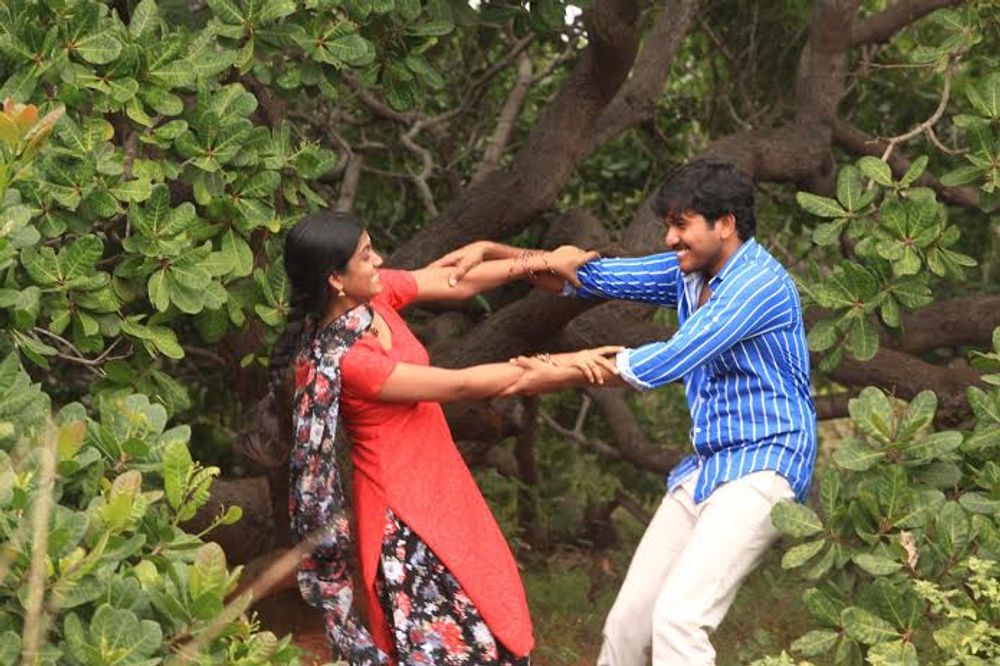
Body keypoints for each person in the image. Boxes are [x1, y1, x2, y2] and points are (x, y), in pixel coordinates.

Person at [437, 157, 818, 665]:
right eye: (668, 225)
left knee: (680, 620)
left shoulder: (758, 285)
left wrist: (560, 368)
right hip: (709, 466)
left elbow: (672, 358)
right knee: (626, 628)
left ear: (725, 224)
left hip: (766, 465)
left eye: (681, 225)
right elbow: (586, 277)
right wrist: (497, 253)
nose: (669, 239)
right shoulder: (689, 271)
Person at [280, 210, 619, 666]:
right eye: (366, 255)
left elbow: (455, 281)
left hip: (442, 486)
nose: (378, 261)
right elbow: (461, 385)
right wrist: (569, 365)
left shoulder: (371, 301)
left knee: (491, 614)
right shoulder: (348, 360)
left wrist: (544, 261)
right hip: (403, 514)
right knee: (453, 647)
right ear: (336, 280)